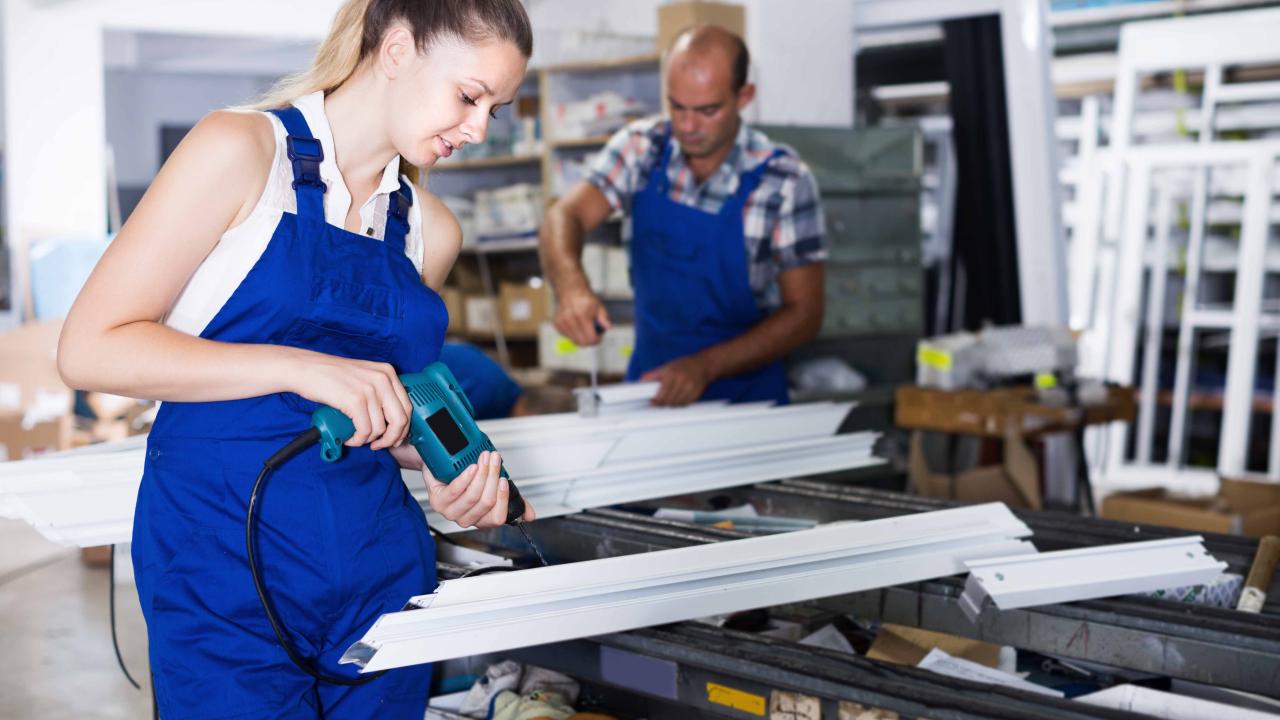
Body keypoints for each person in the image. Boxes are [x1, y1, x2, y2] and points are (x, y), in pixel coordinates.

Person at [56, 1, 534, 716]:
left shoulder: (431, 231)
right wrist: (298, 366)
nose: (478, 129)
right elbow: (89, 347)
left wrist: (445, 474)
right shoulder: (242, 152)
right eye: (469, 96)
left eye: (495, 109)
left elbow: (379, 413)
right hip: (221, 572)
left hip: (377, 574)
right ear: (397, 49)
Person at [539, 25, 826, 408]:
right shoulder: (642, 148)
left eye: (707, 110)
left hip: (749, 404)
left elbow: (805, 314)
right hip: (650, 389)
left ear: (744, 97)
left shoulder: (785, 182)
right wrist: (571, 287)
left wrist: (704, 367)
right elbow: (565, 215)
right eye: (677, 107)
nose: (688, 127)